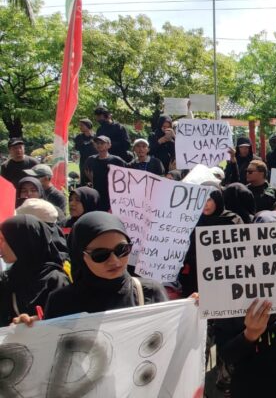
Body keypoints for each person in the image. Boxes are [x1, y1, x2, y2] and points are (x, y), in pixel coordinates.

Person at [215, 210, 276, 398]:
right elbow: (226, 354)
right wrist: (249, 335)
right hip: (252, 388)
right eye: (268, 243)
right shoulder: (233, 292)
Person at [27, 212, 168, 320]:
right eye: (100, 255)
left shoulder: (149, 292)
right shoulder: (61, 302)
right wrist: (26, 332)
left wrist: (188, 312)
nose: (114, 261)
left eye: (122, 250)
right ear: (80, 256)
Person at [0, 215, 70, 325]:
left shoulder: (56, 280)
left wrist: (38, 321)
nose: (0, 246)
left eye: (4, 240)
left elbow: (66, 323)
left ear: (23, 242)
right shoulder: (9, 279)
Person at [180, 187, 243, 297]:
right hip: (194, 277)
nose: (205, 204)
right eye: (201, 200)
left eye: (208, 200)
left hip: (223, 275)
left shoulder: (232, 220)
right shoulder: (191, 219)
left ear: (217, 199)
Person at [83, 135, 127, 211]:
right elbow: (85, 178)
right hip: (96, 196)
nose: (99, 145)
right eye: (97, 143)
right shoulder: (90, 160)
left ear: (109, 145)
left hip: (111, 198)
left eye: (102, 143)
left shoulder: (117, 161)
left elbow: (125, 178)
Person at [74, 119, 97, 185]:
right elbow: (76, 149)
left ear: (88, 126)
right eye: (79, 125)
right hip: (84, 162)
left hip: (95, 161)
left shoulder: (96, 136)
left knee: (95, 179)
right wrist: (76, 154)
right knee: (84, 180)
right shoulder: (79, 137)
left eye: (82, 125)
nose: (80, 127)